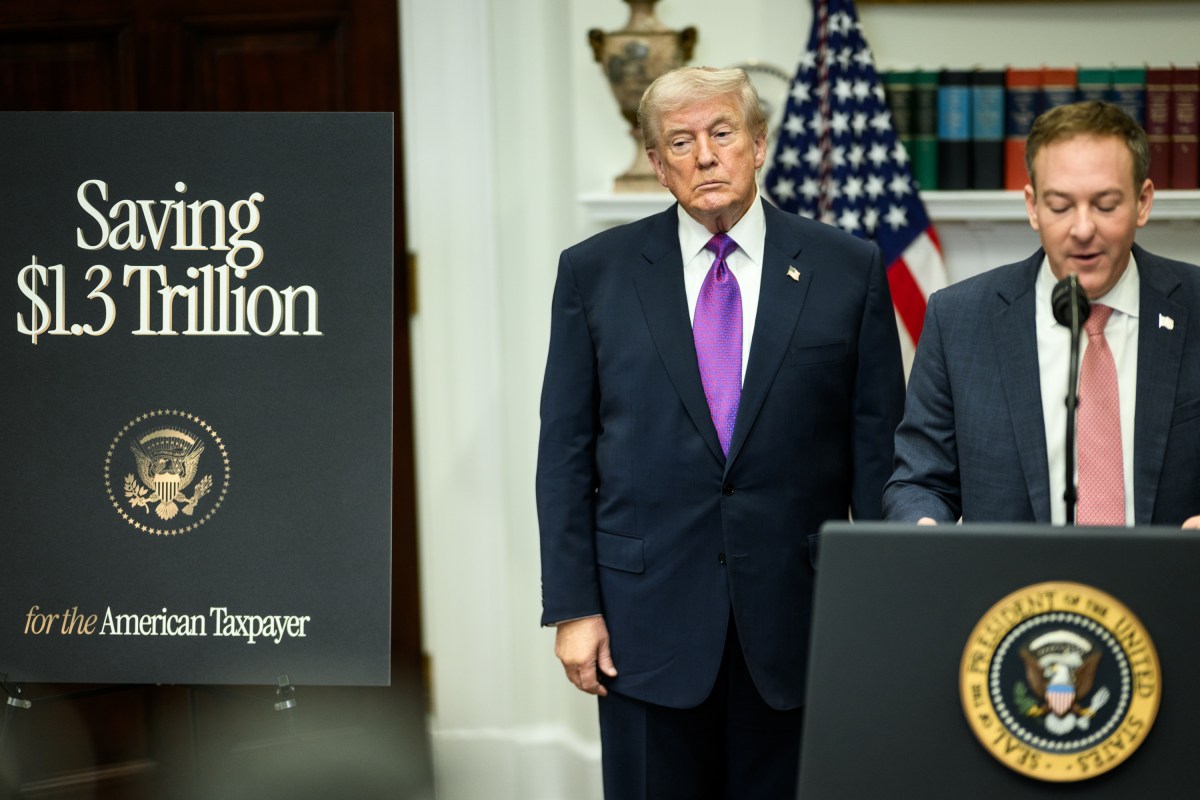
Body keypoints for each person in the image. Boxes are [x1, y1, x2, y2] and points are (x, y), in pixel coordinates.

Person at [536, 66, 905, 799]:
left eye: (722, 133)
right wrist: (574, 607)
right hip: (644, 627)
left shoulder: (847, 267)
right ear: (657, 162)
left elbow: (880, 458)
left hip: (801, 623)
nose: (705, 155)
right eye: (681, 141)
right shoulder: (594, 273)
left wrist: (878, 612)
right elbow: (566, 453)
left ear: (758, 144)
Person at [885, 100, 1200, 528]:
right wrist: (922, 528)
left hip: (1167, 573)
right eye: (1060, 206)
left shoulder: (1193, 306)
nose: (1083, 229)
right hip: (1009, 574)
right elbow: (920, 483)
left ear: (1143, 202)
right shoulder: (958, 320)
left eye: (1106, 205)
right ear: (1032, 206)